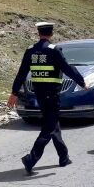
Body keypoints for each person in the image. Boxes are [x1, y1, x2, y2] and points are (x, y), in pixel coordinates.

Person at [7, 22, 86, 174]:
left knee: (53, 123)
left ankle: (63, 157)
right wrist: (81, 82)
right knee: (49, 127)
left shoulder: (31, 50)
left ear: (39, 33)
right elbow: (67, 68)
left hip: (39, 95)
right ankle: (31, 158)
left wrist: (14, 92)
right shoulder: (54, 50)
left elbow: (21, 73)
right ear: (51, 34)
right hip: (52, 95)